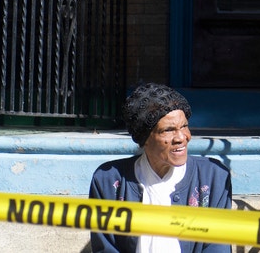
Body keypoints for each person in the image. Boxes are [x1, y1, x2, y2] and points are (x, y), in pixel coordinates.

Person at [89, 83, 233, 252]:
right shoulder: (109, 180)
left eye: (184, 126)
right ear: (145, 138)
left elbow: (217, 247)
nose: (181, 137)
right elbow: (105, 248)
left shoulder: (214, 177)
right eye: (168, 130)